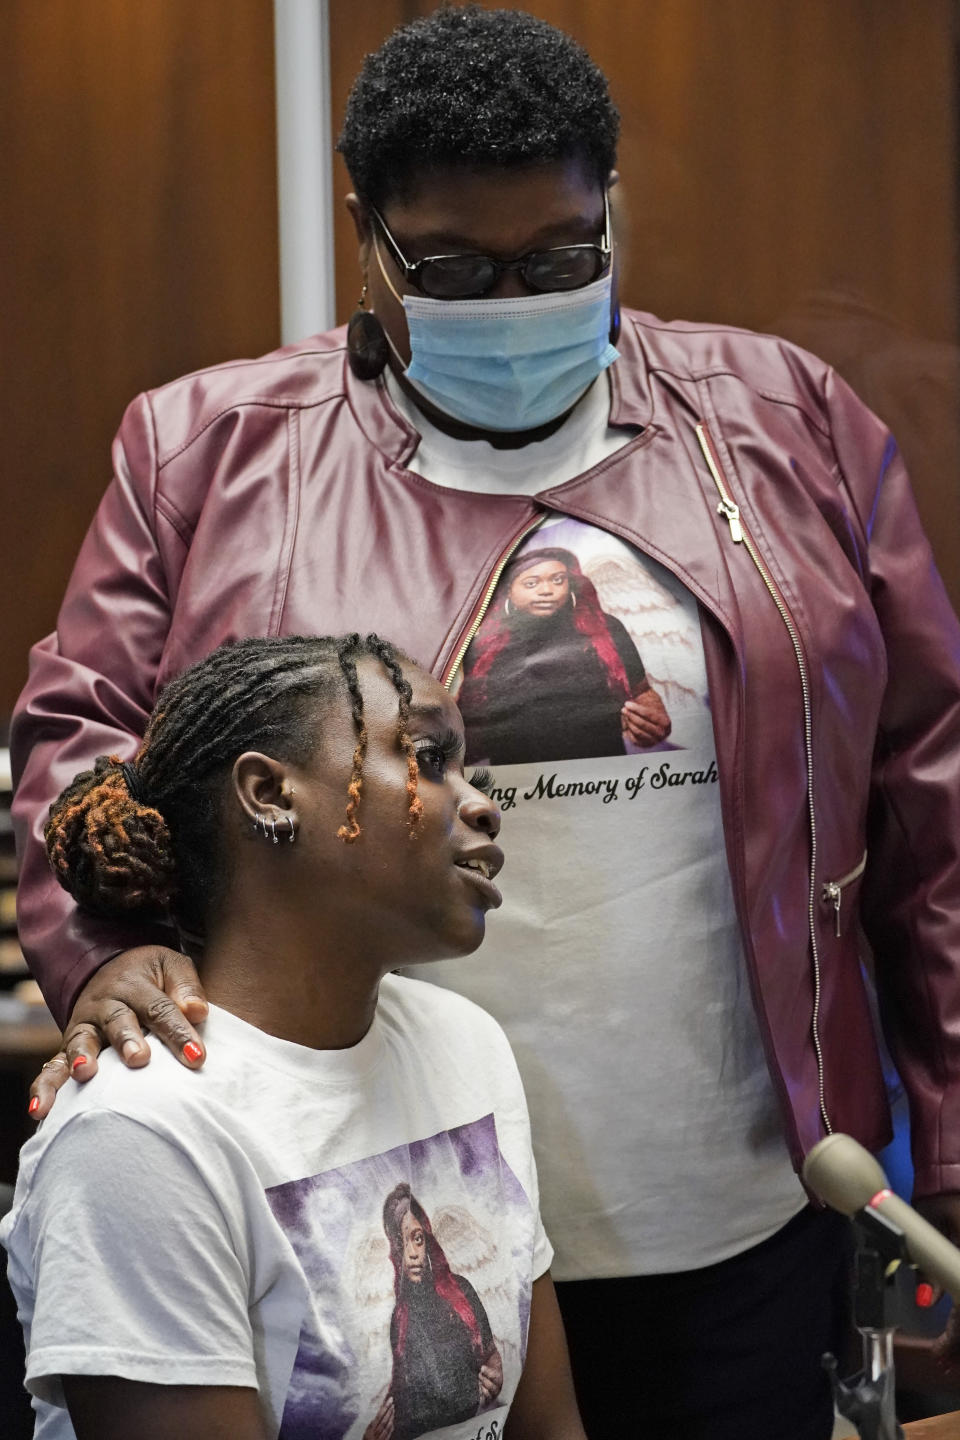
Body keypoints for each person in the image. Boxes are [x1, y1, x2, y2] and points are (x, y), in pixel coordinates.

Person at [10, 7, 960, 1438]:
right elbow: (81, 745)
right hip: (368, 1196)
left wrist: (948, 1148)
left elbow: (931, 800)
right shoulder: (211, 450)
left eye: (561, 256)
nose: (513, 297)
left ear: (612, 211)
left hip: (736, 1211)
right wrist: (110, 955)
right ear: (366, 234)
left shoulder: (786, 423)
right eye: (452, 266)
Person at [1, 632, 584, 1440]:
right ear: (269, 794)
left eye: (467, 771)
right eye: (424, 756)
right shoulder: (142, 1133)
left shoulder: (465, 1045)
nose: (482, 802)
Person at [458, 545, 671, 764]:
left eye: (558, 580)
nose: (547, 590)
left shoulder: (605, 628)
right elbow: (466, 715)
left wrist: (652, 722)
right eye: (531, 583)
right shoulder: (483, 641)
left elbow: (642, 690)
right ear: (509, 591)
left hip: (599, 770)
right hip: (519, 778)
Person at [369, 1183, 503, 1440]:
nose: (413, 1255)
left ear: (427, 1241)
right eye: (402, 1242)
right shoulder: (400, 1318)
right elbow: (400, 1400)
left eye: (417, 1239)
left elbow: (491, 1355)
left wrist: (496, 1373)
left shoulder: (461, 1290)